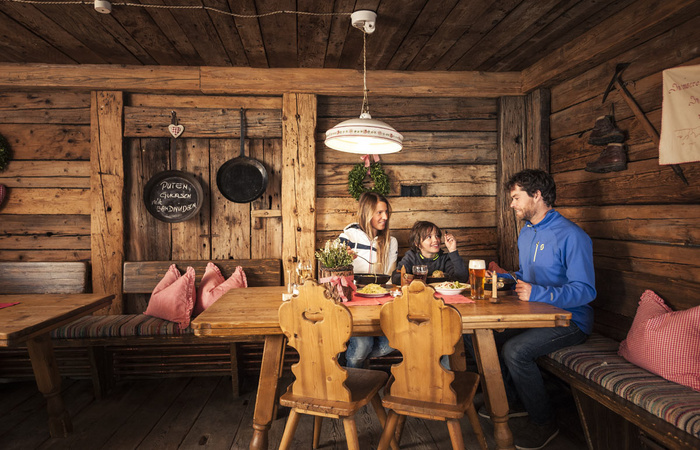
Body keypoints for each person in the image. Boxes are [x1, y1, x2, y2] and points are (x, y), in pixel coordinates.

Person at [468, 169, 596, 450]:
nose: (511, 204)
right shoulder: (526, 233)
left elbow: (586, 290)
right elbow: (527, 274)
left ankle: (544, 422)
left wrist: (538, 292)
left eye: (516, 198)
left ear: (537, 195)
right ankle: (512, 403)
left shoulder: (572, 236)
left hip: (571, 321)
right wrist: (504, 279)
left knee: (516, 351)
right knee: (479, 336)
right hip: (535, 314)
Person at [339, 192, 399, 368]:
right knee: (363, 346)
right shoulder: (347, 238)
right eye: (379, 213)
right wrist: (342, 261)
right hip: (355, 305)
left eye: (386, 212)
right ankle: (352, 382)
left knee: (392, 342)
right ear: (367, 213)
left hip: (381, 304)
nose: (385, 217)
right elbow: (329, 271)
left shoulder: (391, 242)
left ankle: (344, 357)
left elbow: (389, 276)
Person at [391, 221, 468, 285]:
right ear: (417, 244)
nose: (435, 240)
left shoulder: (444, 259)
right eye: (429, 237)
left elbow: (462, 279)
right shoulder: (411, 257)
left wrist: (453, 250)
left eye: (437, 235)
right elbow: (396, 277)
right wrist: (413, 278)